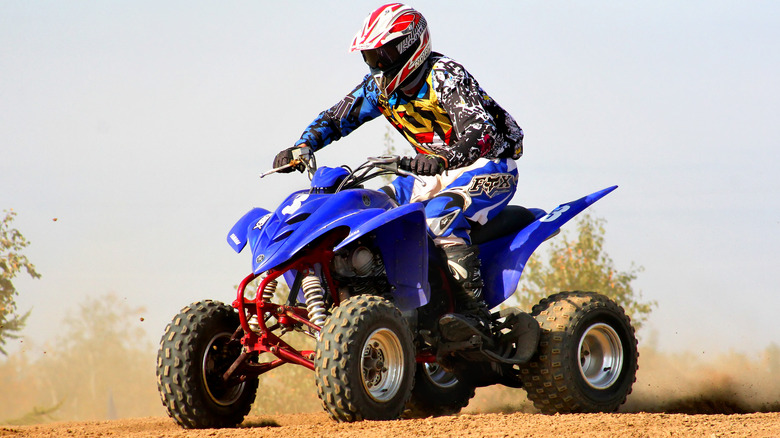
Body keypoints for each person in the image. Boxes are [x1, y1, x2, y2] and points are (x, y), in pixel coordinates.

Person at [273, 3, 523, 341]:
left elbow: (483, 133)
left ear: (410, 47)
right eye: (370, 57)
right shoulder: (378, 88)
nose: (377, 65)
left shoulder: (445, 74)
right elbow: (336, 118)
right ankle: (391, 302)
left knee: (439, 215)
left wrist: (442, 158)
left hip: (488, 164)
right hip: (430, 172)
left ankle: (473, 317)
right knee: (372, 210)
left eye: (384, 54)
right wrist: (302, 147)